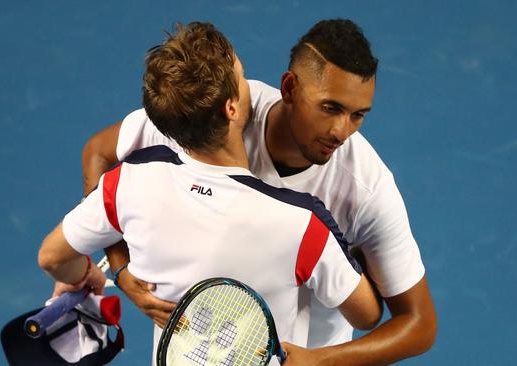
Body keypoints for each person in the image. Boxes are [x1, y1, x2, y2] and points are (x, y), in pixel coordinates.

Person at [83, 18, 437, 364]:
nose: (342, 131)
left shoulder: (366, 188)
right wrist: (122, 268)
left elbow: (419, 325)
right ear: (289, 88)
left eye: (358, 115)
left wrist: (321, 361)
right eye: (330, 108)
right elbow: (99, 151)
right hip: (192, 352)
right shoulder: (222, 115)